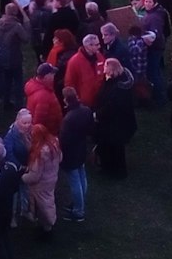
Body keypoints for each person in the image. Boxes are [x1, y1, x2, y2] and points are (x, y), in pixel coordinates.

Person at [92, 57, 138, 177]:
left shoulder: (119, 87)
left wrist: (97, 114)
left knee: (114, 148)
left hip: (114, 124)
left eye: (106, 67)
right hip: (114, 123)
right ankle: (110, 168)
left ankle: (114, 172)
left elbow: (111, 105)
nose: (103, 69)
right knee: (112, 147)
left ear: (111, 69)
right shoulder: (118, 82)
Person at [58, 87, 94, 221]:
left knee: (74, 182)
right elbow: (91, 129)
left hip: (71, 153)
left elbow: (64, 140)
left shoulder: (68, 118)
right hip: (81, 148)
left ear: (66, 100)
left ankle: (78, 211)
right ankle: (80, 202)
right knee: (81, 176)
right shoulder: (86, 110)